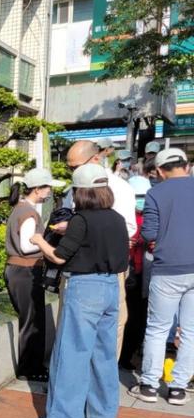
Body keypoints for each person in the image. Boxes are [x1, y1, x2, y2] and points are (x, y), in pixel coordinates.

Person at [30, 163, 128, 418]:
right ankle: (102, 417)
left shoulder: (81, 220)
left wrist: (40, 240)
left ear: (80, 192)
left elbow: (59, 256)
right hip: (111, 287)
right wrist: (70, 231)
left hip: (84, 288)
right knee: (104, 355)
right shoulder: (117, 218)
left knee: (71, 353)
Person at [129, 148, 194, 406]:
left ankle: (149, 385)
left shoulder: (155, 193)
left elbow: (149, 233)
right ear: (186, 166)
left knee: (157, 328)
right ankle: (178, 388)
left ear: (158, 171)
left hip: (167, 268)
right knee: (190, 331)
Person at [64, 140, 135, 356]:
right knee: (73, 331)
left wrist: (83, 230)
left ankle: (104, 372)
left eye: (75, 167)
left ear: (95, 159)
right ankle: (76, 374)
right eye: (70, 168)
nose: (72, 172)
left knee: (110, 329)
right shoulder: (71, 190)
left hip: (109, 269)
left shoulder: (119, 188)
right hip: (76, 268)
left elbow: (128, 228)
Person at [4, 167, 65, 381]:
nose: (49, 192)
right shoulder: (28, 212)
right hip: (25, 271)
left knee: (32, 319)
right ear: (37, 189)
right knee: (32, 321)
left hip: (22, 271)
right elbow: (26, 246)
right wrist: (46, 243)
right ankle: (30, 369)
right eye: (47, 187)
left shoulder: (22, 208)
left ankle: (32, 367)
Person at [120, 175, 152, 369]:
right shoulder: (121, 214)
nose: (141, 200)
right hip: (124, 271)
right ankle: (120, 356)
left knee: (138, 319)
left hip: (144, 274)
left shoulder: (153, 214)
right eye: (138, 195)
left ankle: (127, 356)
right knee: (123, 318)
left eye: (144, 195)